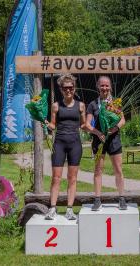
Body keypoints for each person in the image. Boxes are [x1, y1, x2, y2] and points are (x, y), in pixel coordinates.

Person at [44, 74, 86, 220]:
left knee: (72, 178)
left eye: (71, 87)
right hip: (60, 143)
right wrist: (46, 123)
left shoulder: (81, 105)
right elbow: (53, 125)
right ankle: (52, 208)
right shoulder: (56, 105)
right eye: (65, 88)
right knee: (56, 178)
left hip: (75, 143)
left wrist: (97, 129)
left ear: (74, 88)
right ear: (61, 89)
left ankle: (69, 209)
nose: (68, 90)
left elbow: (84, 124)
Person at [85, 76, 127, 211]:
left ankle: (121, 198)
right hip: (99, 141)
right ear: (98, 87)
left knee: (118, 170)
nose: (104, 88)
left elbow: (122, 120)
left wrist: (114, 129)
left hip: (114, 139)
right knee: (98, 170)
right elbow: (87, 124)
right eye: (102, 86)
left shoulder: (115, 102)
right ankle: (97, 199)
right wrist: (98, 133)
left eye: (107, 86)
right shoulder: (92, 104)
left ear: (110, 87)